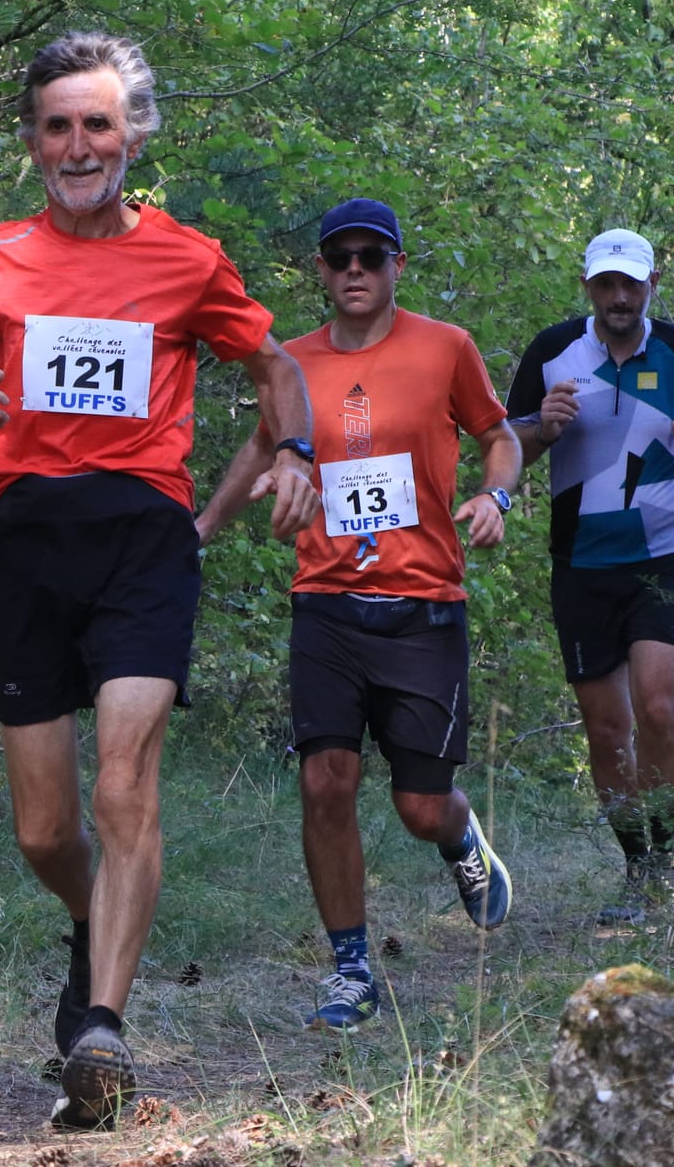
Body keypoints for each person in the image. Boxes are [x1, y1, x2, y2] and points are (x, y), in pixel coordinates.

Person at [0, 32, 318, 1127]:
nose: (78, 145)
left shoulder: (187, 259)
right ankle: (94, 922)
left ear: (131, 136)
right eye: (57, 126)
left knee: (123, 783)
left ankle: (103, 1029)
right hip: (23, 536)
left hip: (142, 534)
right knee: (44, 829)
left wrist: (298, 454)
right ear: (33, 142)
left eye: (97, 123)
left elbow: (273, 365)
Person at [197, 198, 519, 1033]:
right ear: (320, 269)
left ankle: (460, 835)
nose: (353, 270)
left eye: (370, 256)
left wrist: (497, 496)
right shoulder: (294, 363)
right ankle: (350, 969)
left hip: (423, 606)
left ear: (396, 266)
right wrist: (199, 529)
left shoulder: (445, 347)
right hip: (327, 603)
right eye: (338, 257)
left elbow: (501, 436)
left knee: (420, 806)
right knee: (324, 780)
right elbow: (262, 445)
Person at [506, 228, 674, 924]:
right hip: (581, 564)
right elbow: (504, 444)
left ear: (651, 285)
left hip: (662, 557)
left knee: (657, 708)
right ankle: (637, 868)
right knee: (607, 729)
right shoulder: (552, 350)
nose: (619, 297)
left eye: (631, 284)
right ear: (588, 286)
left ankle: (666, 865)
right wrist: (542, 429)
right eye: (606, 284)